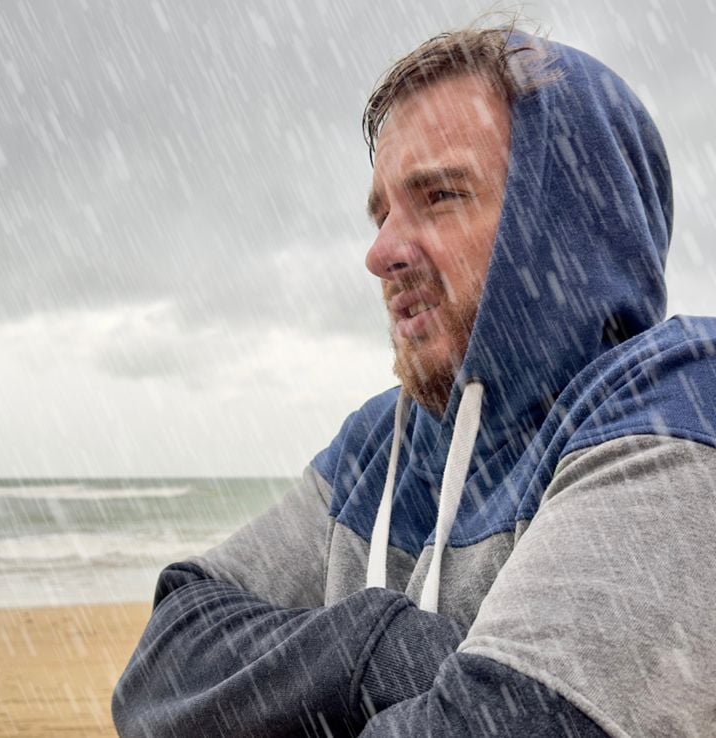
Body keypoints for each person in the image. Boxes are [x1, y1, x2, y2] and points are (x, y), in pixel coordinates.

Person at [112, 23, 716, 737]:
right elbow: (162, 671)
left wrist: (293, 697)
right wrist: (379, 650)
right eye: (382, 212)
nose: (381, 251)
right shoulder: (382, 443)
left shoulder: (680, 404)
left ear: (564, 225)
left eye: (439, 197)